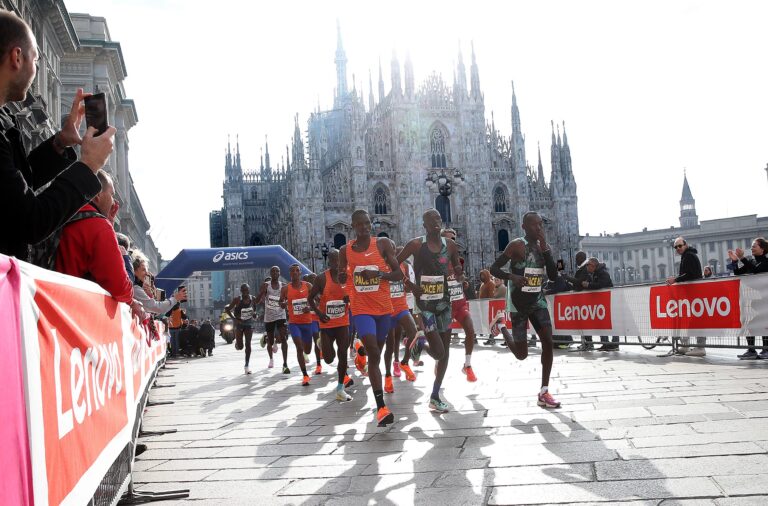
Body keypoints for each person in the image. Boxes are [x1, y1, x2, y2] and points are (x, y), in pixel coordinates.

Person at [0, 11, 116, 261]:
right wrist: (88, 165)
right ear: (17, 57)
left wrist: (60, 143)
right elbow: (30, 220)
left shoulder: (3, 120)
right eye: (36, 59)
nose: (36, 68)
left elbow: (14, 184)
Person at [490, 211, 561, 409]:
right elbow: (494, 269)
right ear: (524, 227)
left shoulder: (543, 247)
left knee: (548, 340)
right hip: (518, 302)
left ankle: (544, 391)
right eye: (533, 225)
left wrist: (546, 249)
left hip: (537, 300)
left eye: (540, 225)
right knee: (521, 354)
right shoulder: (516, 245)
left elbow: (554, 275)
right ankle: (501, 326)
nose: (538, 228)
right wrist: (513, 278)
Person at [338, 209, 403, 426]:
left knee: (375, 356)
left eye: (367, 223)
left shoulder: (383, 244)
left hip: (384, 309)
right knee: (374, 351)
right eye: (360, 224)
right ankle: (381, 407)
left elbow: (398, 274)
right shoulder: (345, 251)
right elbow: (341, 277)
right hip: (361, 309)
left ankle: (361, 358)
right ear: (353, 227)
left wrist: (379, 274)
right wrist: (341, 279)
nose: (364, 227)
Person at [397, 209, 463, 414]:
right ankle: (420, 343)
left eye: (439, 218)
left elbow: (457, 268)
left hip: (444, 304)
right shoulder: (416, 244)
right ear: (424, 224)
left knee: (445, 353)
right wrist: (408, 284)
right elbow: (394, 264)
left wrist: (461, 277)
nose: (436, 222)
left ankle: (435, 396)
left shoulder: (450, 245)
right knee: (439, 351)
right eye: (431, 219)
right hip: (424, 306)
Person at [54, 169, 133, 304]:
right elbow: (122, 291)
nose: (114, 202)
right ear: (97, 195)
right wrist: (126, 258)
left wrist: (108, 222)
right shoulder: (99, 227)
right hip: (75, 309)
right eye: (112, 195)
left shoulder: (65, 211)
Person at [308, 248, 355, 401]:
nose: (337, 264)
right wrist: (319, 313)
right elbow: (310, 298)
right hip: (326, 324)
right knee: (329, 359)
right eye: (334, 260)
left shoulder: (348, 277)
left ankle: (340, 388)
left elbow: (355, 294)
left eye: (340, 261)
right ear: (329, 262)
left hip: (342, 322)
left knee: (343, 355)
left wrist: (350, 300)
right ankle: (321, 343)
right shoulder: (322, 278)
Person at [441, 228, 478, 382]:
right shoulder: (438, 260)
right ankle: (439, 364)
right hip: (445, 306)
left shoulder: (459, 261)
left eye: (454, 239)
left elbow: (459, 278)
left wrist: (464, 283)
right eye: (449, 239)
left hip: (460, 303)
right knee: (445, 345)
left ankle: (467, 365)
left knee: (470, 331)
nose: (452, 242)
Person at [383, 241, 421, 392]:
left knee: (413, 333)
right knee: (390, 343)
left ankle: (405, 362)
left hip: (401, 307)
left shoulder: (403, 266)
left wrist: (413, 288)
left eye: (395, 251)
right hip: (387, 309)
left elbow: (407, 284)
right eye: (390, 251)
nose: (394, 254)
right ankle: (388, 375)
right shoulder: (380, 266)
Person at [729, 238, 768, 359]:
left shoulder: (766, 262)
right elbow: (738, 273)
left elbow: (756, 270)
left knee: (765, 325)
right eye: (751, 246)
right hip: (757, 300)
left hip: (766, 300)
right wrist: (735, 261)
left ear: (762, 249)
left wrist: (742, 258)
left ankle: (765, 350)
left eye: (754, 246)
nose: (751, 248)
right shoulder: (752, 261)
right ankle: (752, 350)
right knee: (751, 325)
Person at [665, 237, 704, 356]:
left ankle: (700, 347)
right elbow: (687, 274)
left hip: (695, 292)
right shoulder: (687, 255)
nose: (678, 248)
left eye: (680, 246)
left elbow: (690, 274)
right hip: (690, 293)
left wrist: (675, 279)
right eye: (675, 247)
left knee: (697, 320)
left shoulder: (689, 256)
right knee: (691, 320)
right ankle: (686, 345)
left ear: (685, 245)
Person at [279, 264, 312, 386]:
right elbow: (281, 300)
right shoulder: (286, 289)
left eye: (297, 270)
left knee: (307, 350)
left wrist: (309, 307)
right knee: (299, 347)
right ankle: (305, 375)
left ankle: (305, 353)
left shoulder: (308, 286)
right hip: (294, 323)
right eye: (292, 271)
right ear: (290, 274)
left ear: (300, 273)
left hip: (307, 322)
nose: (294, 273)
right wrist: (282, 304)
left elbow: (316, 299)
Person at [254, 267, 290, 372]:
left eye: (277, 271)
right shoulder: (266, 285)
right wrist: (262, 292)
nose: (275, 273)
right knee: (270, 340)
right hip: (269, 317)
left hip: (280, 315)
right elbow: (256, 301)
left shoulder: (283, 286)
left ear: (279, 273)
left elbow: (288, 299)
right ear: (270, 273)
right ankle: (271, 359)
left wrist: (285, 304)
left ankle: (285, 364)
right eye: (273, 271)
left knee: (283, 339)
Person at [131, 250, 186, 315]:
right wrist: (175, 298)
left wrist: (151, 295)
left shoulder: (138, 287)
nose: (146, 273)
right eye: (143, 270)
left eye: (147, 270)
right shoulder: (135, 288)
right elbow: (158, 308)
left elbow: (155, 310)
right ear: (134, 271)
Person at [582, 257, 618, 351]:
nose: (587, 266)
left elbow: (601, 285)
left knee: (611, 323)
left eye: (588, 265)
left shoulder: (603, 273)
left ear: (593, 265)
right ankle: (605, 343)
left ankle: (615, 343)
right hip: (601, 302)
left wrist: (589, 285)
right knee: (602, 322)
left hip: (608, 301)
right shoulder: (594, 274)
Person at [224, 283, 258, 374]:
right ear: (241, 291)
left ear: (249, 290)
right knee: (241, 346)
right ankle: (237, 344)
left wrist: (255, 314)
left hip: (248, 323)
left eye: (246, 290)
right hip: (239, 324)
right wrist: (234, 319)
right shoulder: (237, 300)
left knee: (248, 344)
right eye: (243, 290)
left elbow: (254, 309)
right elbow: (227, 309)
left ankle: (247, 365)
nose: (245, 292)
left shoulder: (253, 299)